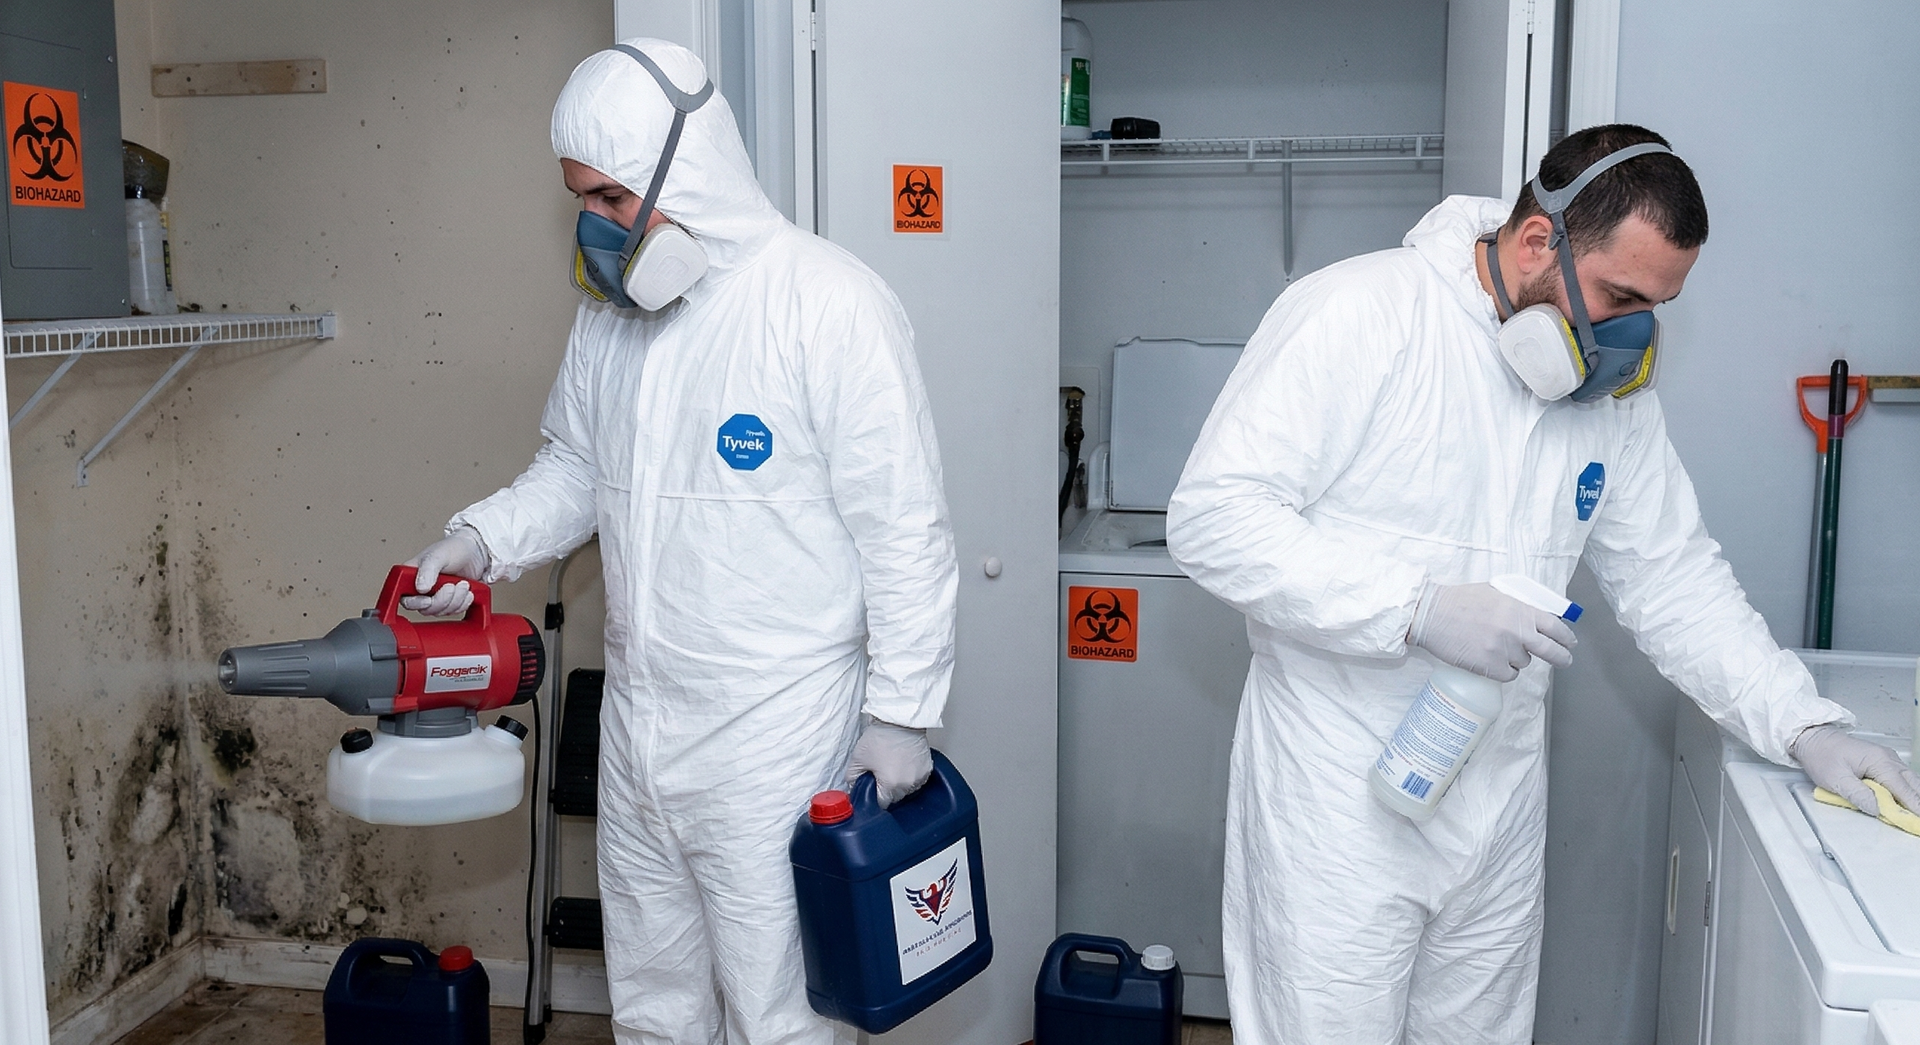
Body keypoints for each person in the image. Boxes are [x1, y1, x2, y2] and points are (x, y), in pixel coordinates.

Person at [1164, 124, 1920, 1045]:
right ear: (1537, 243)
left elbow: (1675, 579)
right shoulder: (1359, 315)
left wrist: (1802, 723)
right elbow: (1213, 518)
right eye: (1619, 296)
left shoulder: (1611, 402)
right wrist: (1417, 605)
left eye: (1656, 307)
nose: (1633, 334)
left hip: (1498, 806)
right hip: (1336, 811)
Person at [401, 39, 958, 1045]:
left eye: (613, 199)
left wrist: (905, 709)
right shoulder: (612, 324)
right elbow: (575, 469)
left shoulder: (825, 304)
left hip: (778, 730)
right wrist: (479, 541)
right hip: (640, 719)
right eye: (580, 199)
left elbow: (906, 529)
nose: (594, 226)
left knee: (779, 1009)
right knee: (653, 999)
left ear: (684, 171)